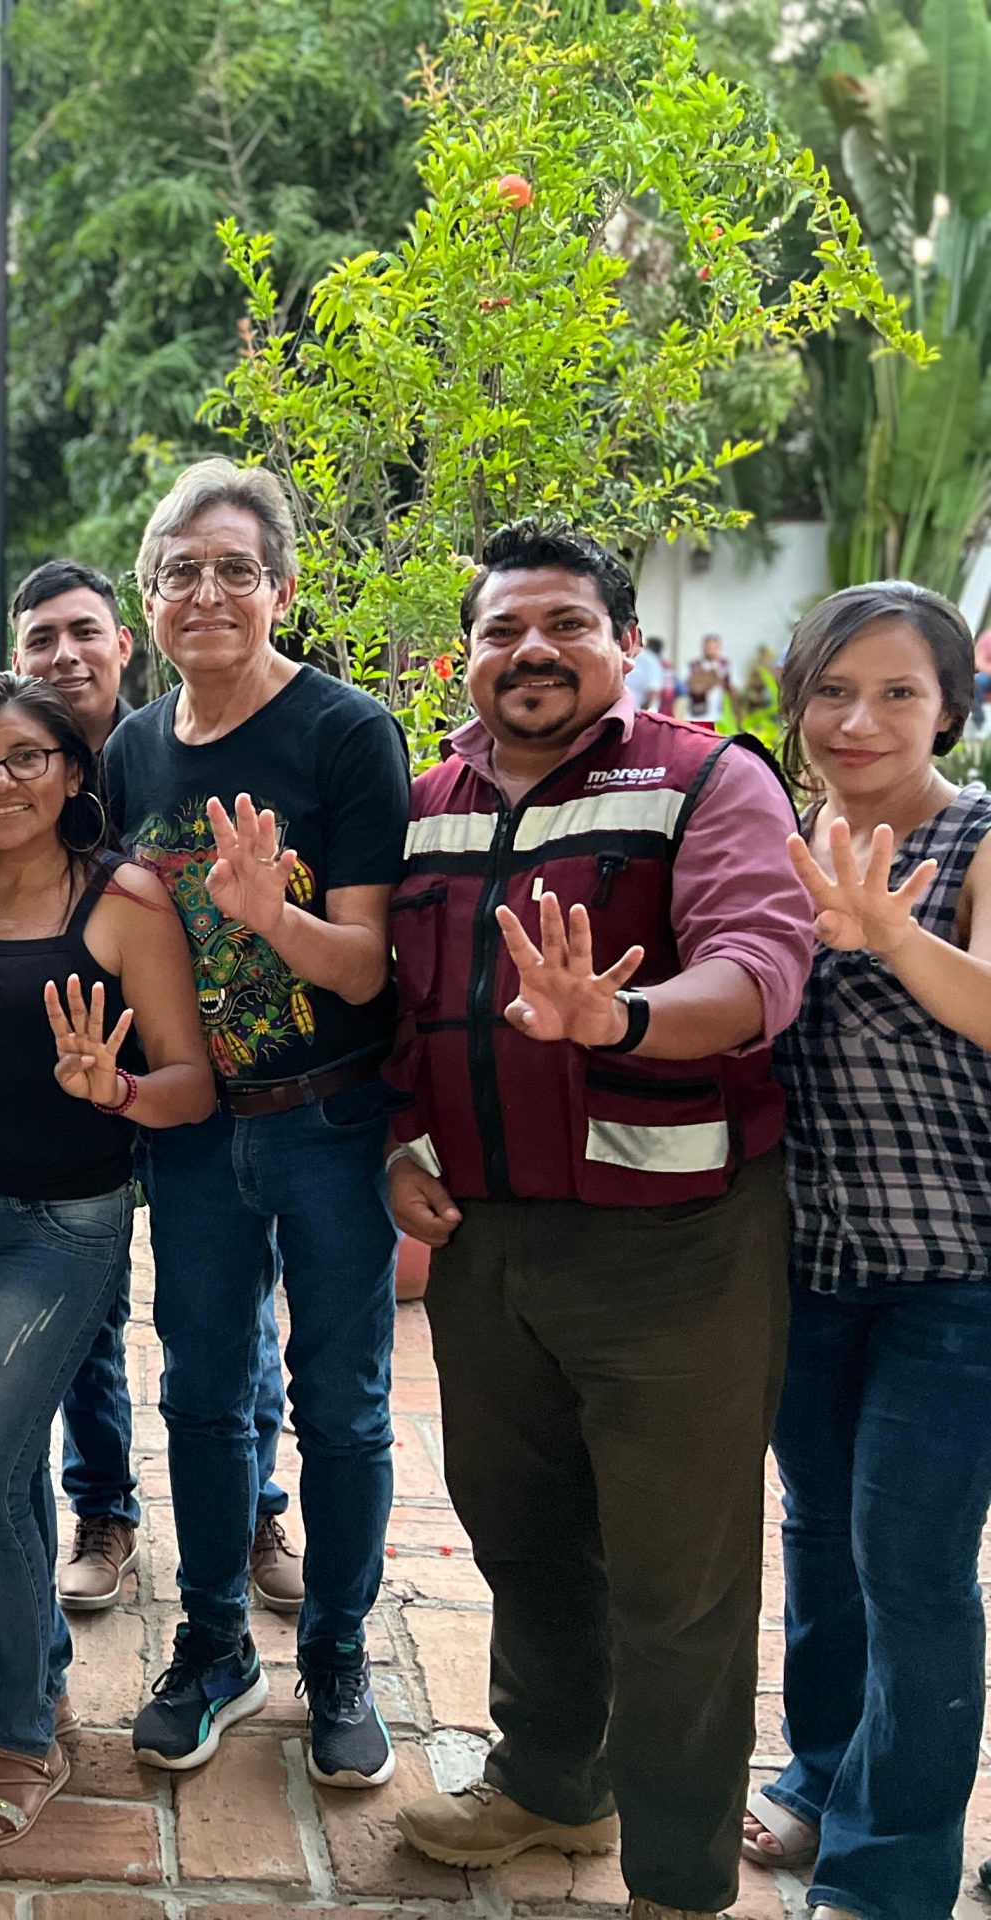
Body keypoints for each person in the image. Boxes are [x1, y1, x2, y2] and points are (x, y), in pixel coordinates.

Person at [385, 523, 813, 1919]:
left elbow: (761, 964)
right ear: (471, 653)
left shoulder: (704, 778)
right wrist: (401, 1140)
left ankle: (678, 1882)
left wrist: (617, 1015)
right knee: (521, 1530)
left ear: (624, 643)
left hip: (673, 1249)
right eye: (505, 628)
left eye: (565, 624)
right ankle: (557, 1779)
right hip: (489, 1246)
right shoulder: (430, 798)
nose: (532, 651)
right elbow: (404, 1009)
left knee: (680, 1583)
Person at [103, 463, 410, 1789]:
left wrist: (267, 913)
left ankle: (335, 1653)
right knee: (203, 1393)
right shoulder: (132, 749)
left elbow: (365, 970)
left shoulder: (348, 733)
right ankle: (218, 1643)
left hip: (329, 1120)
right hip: (195, 1137)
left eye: (235, 569)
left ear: (281, 589)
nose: (208, 592)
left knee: (341, 1408)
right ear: (151, 601)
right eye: (182, 570)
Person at [0, 673, 214, 1848]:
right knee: (8, 1471)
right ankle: (32, 1700)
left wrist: (117, 1088)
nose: (1, 781)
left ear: (75, 773)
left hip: (60, 1229)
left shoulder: (121, 901)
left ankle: (26, 1737)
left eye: (27, 757)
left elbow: (189, 1084)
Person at [738, 583, 991, 1920]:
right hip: (812, 1269)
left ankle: (892, 1878)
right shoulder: (780, 846)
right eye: (833, 690)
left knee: (914, 1567)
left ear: (950, 704)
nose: (859, 719)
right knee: (823, 1535)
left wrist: (894, 933)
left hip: (961, 1279)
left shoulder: (977, 838)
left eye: (898, 691)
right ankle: (824, 1775)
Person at [13, 558, 301, 1619]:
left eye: (83, 632)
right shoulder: (16, 767)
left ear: (122, 642)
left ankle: (256, 1502)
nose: (64, 655)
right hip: (78, 1077)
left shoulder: (159, 749)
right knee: (86, 1308)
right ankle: (104, 1508)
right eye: (41, 638)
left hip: (203, 1076)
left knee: (227, 1307)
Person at [685, 631, 735, 726]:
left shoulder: (725, 665)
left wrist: (735, 714)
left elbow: (732, 689)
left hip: (719, 716)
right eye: (707, 648)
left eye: (713, 648)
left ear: (719, 648)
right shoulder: (694, 665)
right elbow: (688, 687)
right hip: (697, 715)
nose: (710, 651)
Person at [627, 634, 667, 717]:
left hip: (631, 712)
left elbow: (653, 691)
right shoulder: (652, 660)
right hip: (640, 714)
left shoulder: (648, 659)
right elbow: (654, 691)